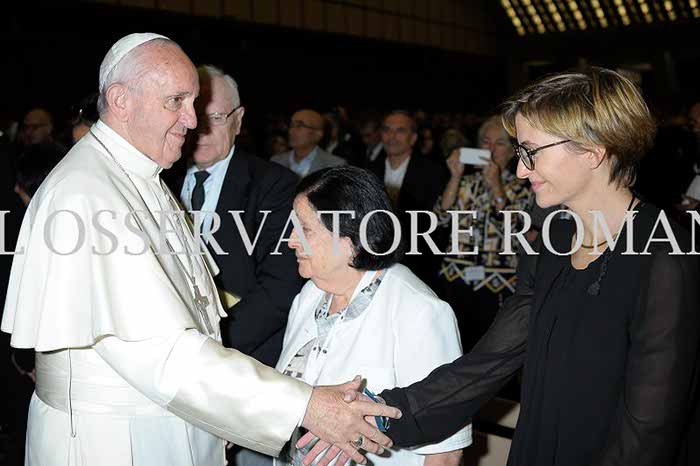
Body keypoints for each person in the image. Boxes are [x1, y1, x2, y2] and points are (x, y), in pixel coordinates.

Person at [1, 33, 400, 466]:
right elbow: (165, 355)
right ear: (121, 100)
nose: (192, 121)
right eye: (177, 101)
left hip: (161, 422)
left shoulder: (137, 175)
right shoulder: (89, 192)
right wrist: (306, 407)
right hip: (113, 442)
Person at [308, 68, 700, 466]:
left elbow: (647, 432)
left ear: (592, 151)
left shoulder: (667, 255)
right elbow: (488, 363)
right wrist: (379, 413)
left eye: (532, 152)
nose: (521, 170)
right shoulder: (555, 239)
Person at [277, 166, 471, 466]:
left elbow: (445, 452)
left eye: (305, 229)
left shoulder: (417, 310)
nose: (290, 240)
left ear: (351, 237)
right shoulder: (310, 296)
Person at [174, 64, 305, 466]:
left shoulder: (277, 186)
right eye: (193, 114)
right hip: (174, 369)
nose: (200, 129)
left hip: (246, 366)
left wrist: (214, 351)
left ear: (238, 120)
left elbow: (280, 288)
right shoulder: (157, 178)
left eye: (214, 117)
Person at [436, 115, 531, 349]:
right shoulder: (465, 182)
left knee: (493, 351)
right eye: (485, 142)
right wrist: (455, 176)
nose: (490, 149)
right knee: (456, 347)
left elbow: (517, 229)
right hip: (457, 276)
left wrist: (496, 185)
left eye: (499, 144)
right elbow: (440, 218)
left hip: (498, 282)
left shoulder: (522, 187)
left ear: (512, 151)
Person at [368, 110, 449, 291]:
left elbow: (436, 223)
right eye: (387, 130)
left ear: (413, 138)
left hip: (420, 260)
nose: (392, 136)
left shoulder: (434, 172)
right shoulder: (368, 170)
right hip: (375, 260)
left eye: (400, 131)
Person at [271, 109, 346, 178]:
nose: (291, 131)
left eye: (299, 126)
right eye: (291, 125)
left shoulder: (335, 166)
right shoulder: (276, 161)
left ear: (318, 134)